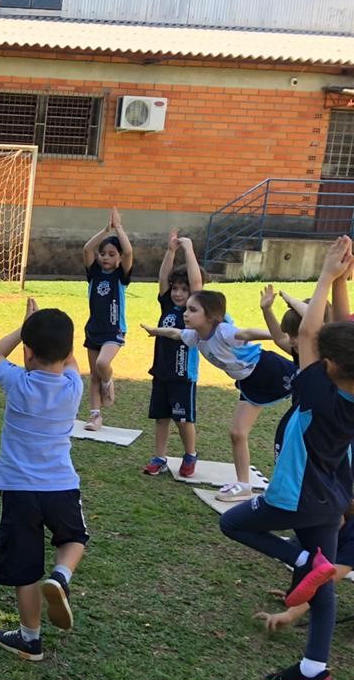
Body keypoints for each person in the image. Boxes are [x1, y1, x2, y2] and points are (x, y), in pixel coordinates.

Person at [219, 237, 354, 680]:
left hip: (294, 496)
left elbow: (310, 333)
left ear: (327, 364)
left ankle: (302, 560)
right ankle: (314, 670)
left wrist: (327, 275)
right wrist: (341, 282)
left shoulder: (315, 392)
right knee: (323, 585)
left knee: (233, 523)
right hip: (330, 501)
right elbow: (349, 336)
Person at [0, 298, 88, 662]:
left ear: (27, 353)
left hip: (18, 490)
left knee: (25, 566)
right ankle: (61, 576)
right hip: (61, 486)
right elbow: (71, 362)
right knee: (74, 539)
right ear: (67, 351)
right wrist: (44, 336)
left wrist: (23, 328)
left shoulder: (18, 383)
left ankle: (30, 639)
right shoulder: (73, 387)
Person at [143, 289, 296, 501]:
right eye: (186, 309)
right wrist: (155, 331)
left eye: (192, 310)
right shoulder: (196, 336)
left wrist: (280, 335)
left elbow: (247, 333)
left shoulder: (224, 331)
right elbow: (175, 333)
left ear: (211, 317)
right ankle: (244, 485)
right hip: (250, 383)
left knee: (302, 419)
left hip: (271, 371)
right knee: (237, 433)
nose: (185, 314)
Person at [253, 507, 354, 641]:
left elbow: (325, 581)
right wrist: (296, 596)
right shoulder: (341, 530)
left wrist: (290, 615)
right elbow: (315, 570)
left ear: (340, 516)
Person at [144, 232, 202, 476]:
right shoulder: (167, 304)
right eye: (175, 288)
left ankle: (190, 455)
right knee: (161, 417)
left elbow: (197, 284)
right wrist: (170, 251)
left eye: (183, 290)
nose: (178, 293)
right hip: (162, 372)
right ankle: (160, 457)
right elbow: (162, 278)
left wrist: (188, 250)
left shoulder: (194, 310)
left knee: (183, 419)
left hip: (183, 375)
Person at [81, 208, 133, 431]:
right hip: (93, 329)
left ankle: (108, 382)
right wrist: (105, 230)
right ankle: (95, 416)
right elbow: (87, 249)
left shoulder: (121, 276)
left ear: (119, 259)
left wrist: (118, 227)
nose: (105, 257)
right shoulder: (93, 272)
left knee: (103, 364)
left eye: (112, 254)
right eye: (103, 254)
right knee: (93, 374)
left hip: (114, 331)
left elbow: (129, 251)